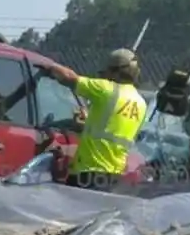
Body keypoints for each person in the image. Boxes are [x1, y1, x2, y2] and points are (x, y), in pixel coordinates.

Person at [38, 48, 148, 187]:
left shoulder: (106, 89)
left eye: (106, 71)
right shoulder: (141, 103)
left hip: (88, 171)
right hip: (114, 176)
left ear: (115, 71)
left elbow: (70, 78)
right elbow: (114, 130)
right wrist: (87, 123)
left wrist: (49, 66)